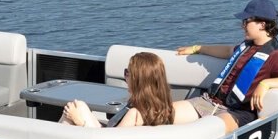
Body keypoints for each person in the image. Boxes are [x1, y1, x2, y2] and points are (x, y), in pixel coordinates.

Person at [175, 0, 278, 132]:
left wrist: (265, 84)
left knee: (205, 130)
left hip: (236, 113)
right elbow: (227, 51)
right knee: (164, 114)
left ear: (262, 24)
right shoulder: (246, 46)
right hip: (209, 102)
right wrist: (197, 48)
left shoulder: (275, 56)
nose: (242, 26)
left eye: (246, 21)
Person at [61, 52, 196, 128]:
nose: (125, 75)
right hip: (108, 135)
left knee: (74, 111)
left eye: (127, 72)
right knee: (78, 106)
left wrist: (80, 121)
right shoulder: (162, 108)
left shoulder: (135, 114)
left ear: (138, 80)